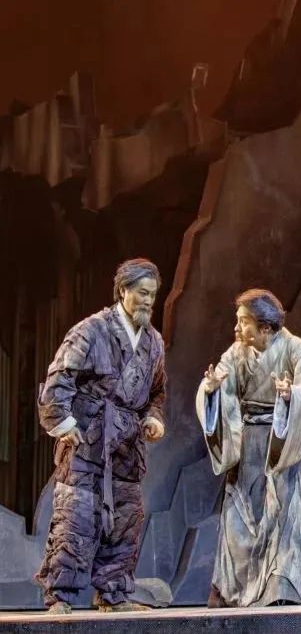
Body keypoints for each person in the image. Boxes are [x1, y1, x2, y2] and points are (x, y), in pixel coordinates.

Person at [35, 258, 166, 614]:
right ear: (123, 291)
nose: (148, 301)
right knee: (75, 517)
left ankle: (113, 595)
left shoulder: (153, 343)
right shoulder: (91, 331)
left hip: (126, 446)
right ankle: (59, 596)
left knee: (125, 520)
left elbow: (156, 393)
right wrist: (64, 424)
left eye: (153, 295)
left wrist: (153, 418)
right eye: (142, 293)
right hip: (88, 440)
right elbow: (59, 378)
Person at [197, 289, 301, 607]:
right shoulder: (237, 352)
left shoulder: (294, 347)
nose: (237, 328)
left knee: (284, 516)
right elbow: (220, 384)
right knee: (238, 518)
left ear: (265, 327)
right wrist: (212, 390)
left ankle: (282, 587)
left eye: (244, 321)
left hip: (284, 445)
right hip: (249, 444)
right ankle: (230, 588)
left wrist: (291, 397)